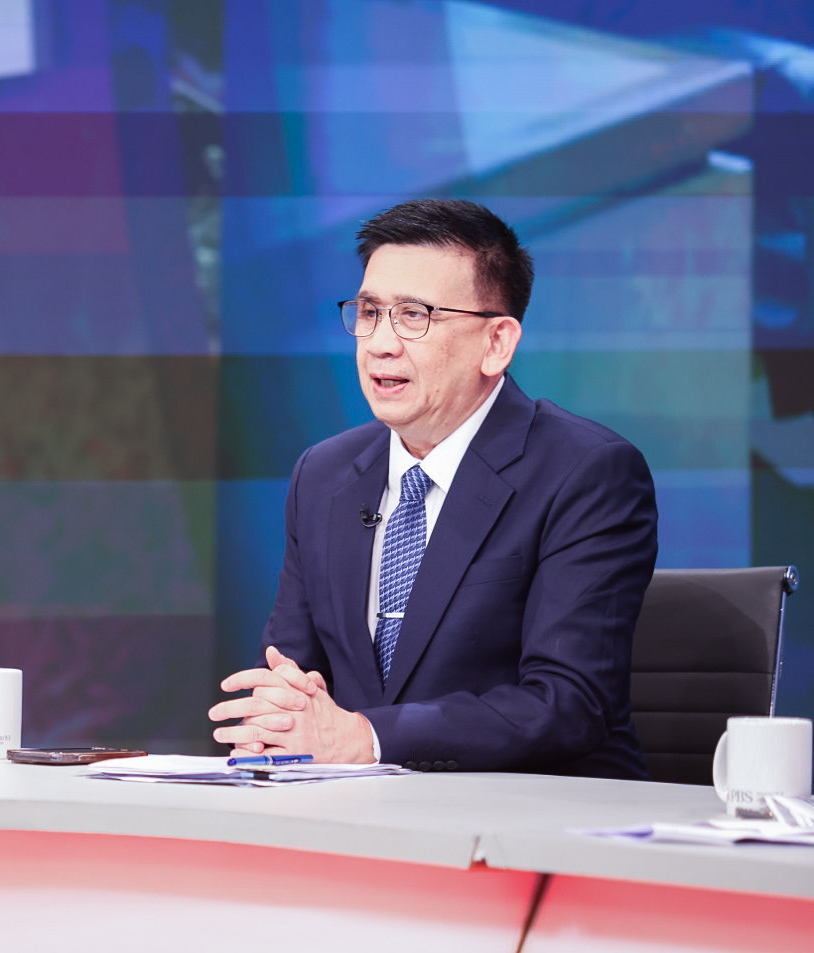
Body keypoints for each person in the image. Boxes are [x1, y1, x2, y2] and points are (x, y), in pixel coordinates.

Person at [209, 199, 655, 777]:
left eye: (414, 315)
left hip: (532, 810)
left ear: (496, 343)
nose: (380, 343)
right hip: (358, 810)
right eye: (369, 313)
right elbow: (290, 670)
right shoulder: (324, 474)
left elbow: (568, 704)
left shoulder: (586, 471)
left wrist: (366, 737)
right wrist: (277, 723)